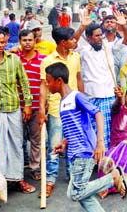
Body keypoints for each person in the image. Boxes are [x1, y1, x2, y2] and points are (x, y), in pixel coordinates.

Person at [46, 62, 127, 211]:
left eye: (48, 81)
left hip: (83, 151)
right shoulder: (63, 102)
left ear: (58, 81)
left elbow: (98, 114)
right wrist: (64, 143)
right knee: (81, 195)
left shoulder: (76, 96)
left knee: (76, 193)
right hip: (73, 153)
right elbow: (74, 127)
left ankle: (113, 177)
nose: (47, 84)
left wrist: (100, 142)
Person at [0, 28, 34, 193]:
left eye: (3, 42)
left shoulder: (14, 60)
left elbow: (24, 82)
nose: (0, 45)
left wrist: (28, 105)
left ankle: (18, 179)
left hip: (12, 108)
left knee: (16, 144)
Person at [75, 8, 127, 150]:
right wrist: (82, 26)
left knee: (111, 131)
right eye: (96, 36)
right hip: (92, 97)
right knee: (95, 132)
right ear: (88, 38)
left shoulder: (108, 47)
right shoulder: (84, 50)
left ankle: (109, 160)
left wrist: (123, 26)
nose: (100, 38)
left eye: (101, 35)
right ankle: (98, 161)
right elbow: (73, 42)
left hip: (109, 96)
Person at [39, 27, 83, 198]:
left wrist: (82, 100)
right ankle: (50, 180)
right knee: (54, 145)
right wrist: (42, 110)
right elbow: (44, 86)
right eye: (72, 39)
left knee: (72, 143)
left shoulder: (76, 57)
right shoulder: (48, 61)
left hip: (73, 107)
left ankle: (73, 177)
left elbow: (78, 79)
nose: (75, 41)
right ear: (63, 42)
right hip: (56, 108)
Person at [17, 29, 46, 181]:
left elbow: (46, 84)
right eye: (24, 40)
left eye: (30, 40)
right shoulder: (14, 58)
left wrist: (43, 107)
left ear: (35, 41)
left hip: (37, 106)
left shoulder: (43, 59)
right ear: (19, 42)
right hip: (18, 106)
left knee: (36, 140)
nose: (27, 43)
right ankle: (18, 169)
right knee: (18, 140)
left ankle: (35, 168)